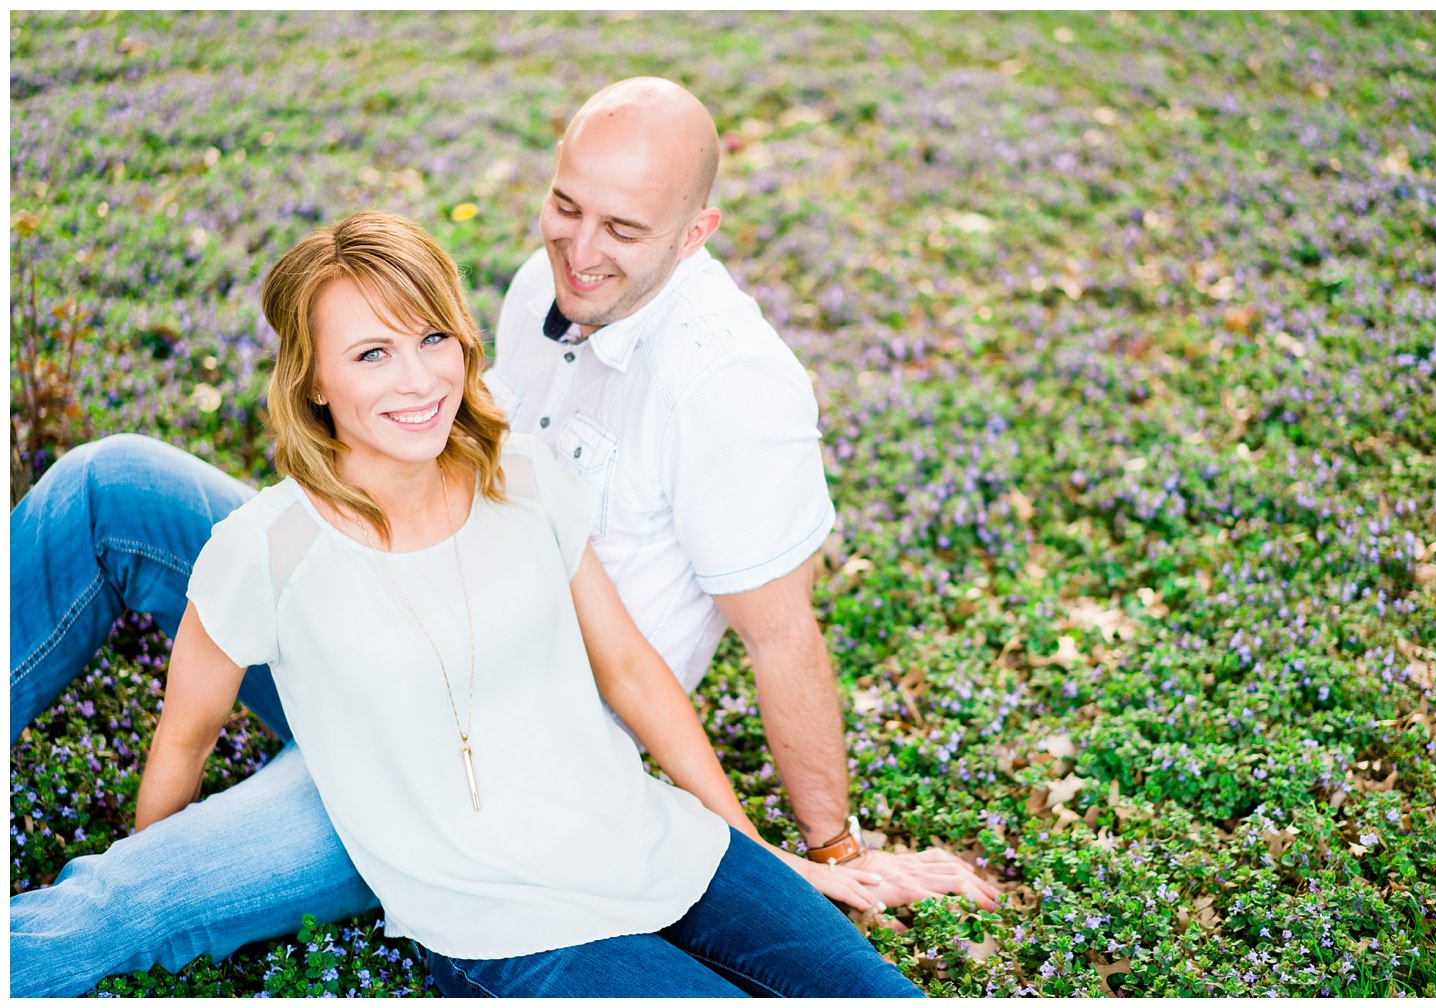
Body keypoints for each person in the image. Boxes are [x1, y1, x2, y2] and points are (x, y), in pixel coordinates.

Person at [9, 78, 996, 996]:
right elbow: (189, 729)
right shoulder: (538, 293)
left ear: (696, 233)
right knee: (114, 493)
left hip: (545, 730)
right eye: (567, 205)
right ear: (312, 377)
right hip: (390, 712)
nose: (579, 247)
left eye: (621, 226)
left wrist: (818, 851)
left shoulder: (724, 387)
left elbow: (755, 641)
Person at [137, 209, 925, 997]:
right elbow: (185, 739)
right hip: (500, 917)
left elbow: (630, 670)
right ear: (312, 378)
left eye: (433, 338)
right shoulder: (266, 549)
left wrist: (755, 848)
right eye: (372, 353)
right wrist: (149, 891)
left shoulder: (519, 472)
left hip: (646, 837)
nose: (419, 380)